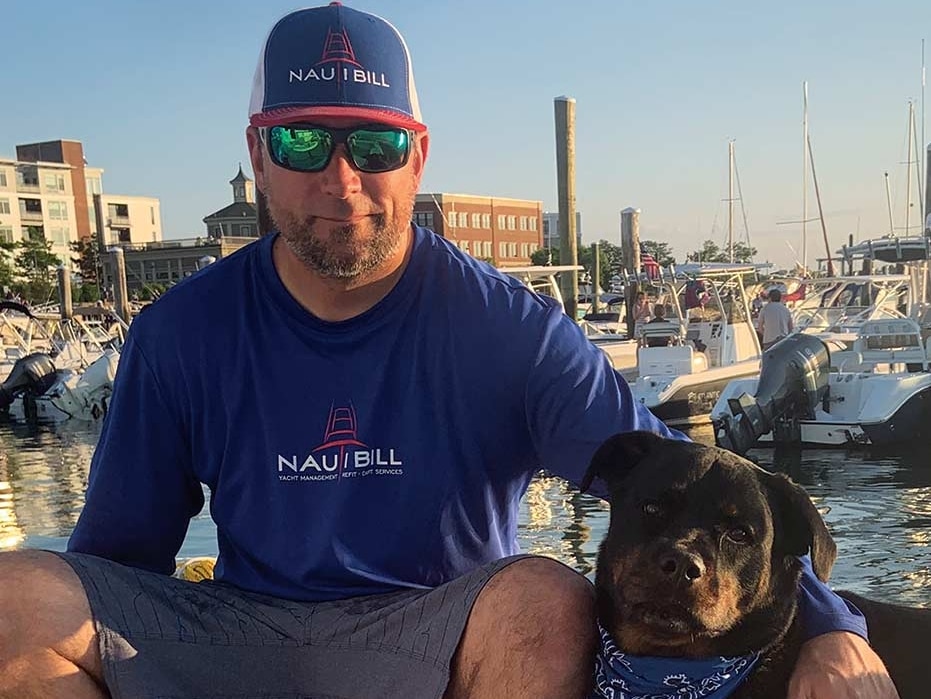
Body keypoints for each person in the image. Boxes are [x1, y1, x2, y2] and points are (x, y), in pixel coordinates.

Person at [0, 4, 896, 699]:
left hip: (436, 637)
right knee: (15, 595)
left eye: (375, 142)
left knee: (544, 595)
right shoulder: (178, 331)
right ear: (257, 155)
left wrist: (828, 623)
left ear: (417, 155)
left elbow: (682, 481)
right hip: (240, 625)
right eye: (302, 139)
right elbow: (111, 562)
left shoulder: (506, 328)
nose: (339, 180)